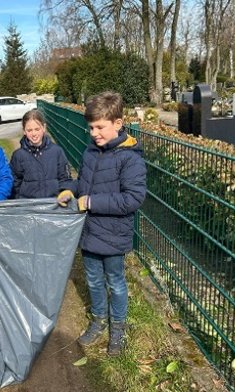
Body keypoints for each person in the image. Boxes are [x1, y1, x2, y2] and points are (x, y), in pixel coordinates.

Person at [57, 91, 147, 356]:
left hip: (113, 234)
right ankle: (99, 320)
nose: (94, 132)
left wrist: (91, 202)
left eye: (100, 127)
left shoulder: (130, 158)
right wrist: (70, 190)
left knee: (115, 282)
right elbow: (85, 183)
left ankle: (118, 327)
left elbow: (132, 199)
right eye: (91, 127)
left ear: (118, 124)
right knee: (94, 281)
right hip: (89, 233)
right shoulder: (90, 152)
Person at [10, 109, 75, 199]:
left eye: (37, 129)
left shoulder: (57, 152)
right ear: (24, 131)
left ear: (43, 128)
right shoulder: (18, 155)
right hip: (29, 206)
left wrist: (65, 193)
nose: (34, 134)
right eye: (29, 130)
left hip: (54, 204)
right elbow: (15, 183)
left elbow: (65, 179)